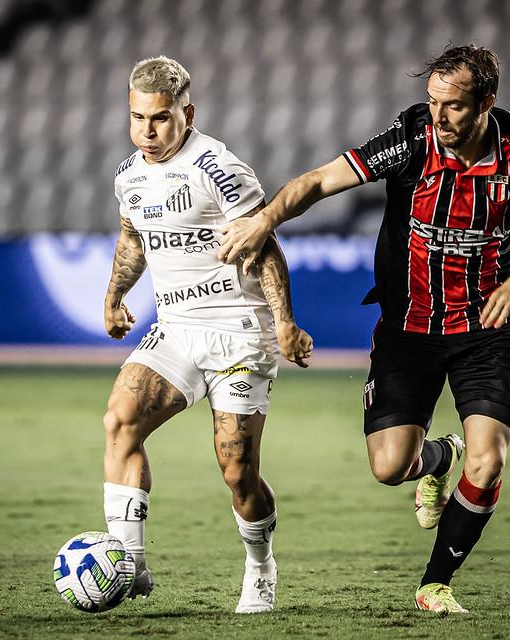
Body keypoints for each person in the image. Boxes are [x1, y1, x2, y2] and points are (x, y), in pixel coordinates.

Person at [219, 45, 510, 615]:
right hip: (408, 329)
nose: (438, 117)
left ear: (487, 102)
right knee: (390, 467)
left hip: (487, 326)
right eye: (432, 102)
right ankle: (438, 459)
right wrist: (266, 218)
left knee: (489, 460)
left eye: (454, 106)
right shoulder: (412, 135)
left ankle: (436, 582)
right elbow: (318, 181)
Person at [101, 56, 313, 614]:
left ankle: (260, 566)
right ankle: (127, 563)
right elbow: (133, 239)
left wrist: (285, 322)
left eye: (161, 118)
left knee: (237, 469)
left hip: (239, 333)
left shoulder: (219, 168)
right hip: (175, 327)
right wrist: (114, 295)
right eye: (137, 117)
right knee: (121, 418)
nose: (147, 131)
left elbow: (265, 246)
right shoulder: (129, 175)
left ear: (186, 113)